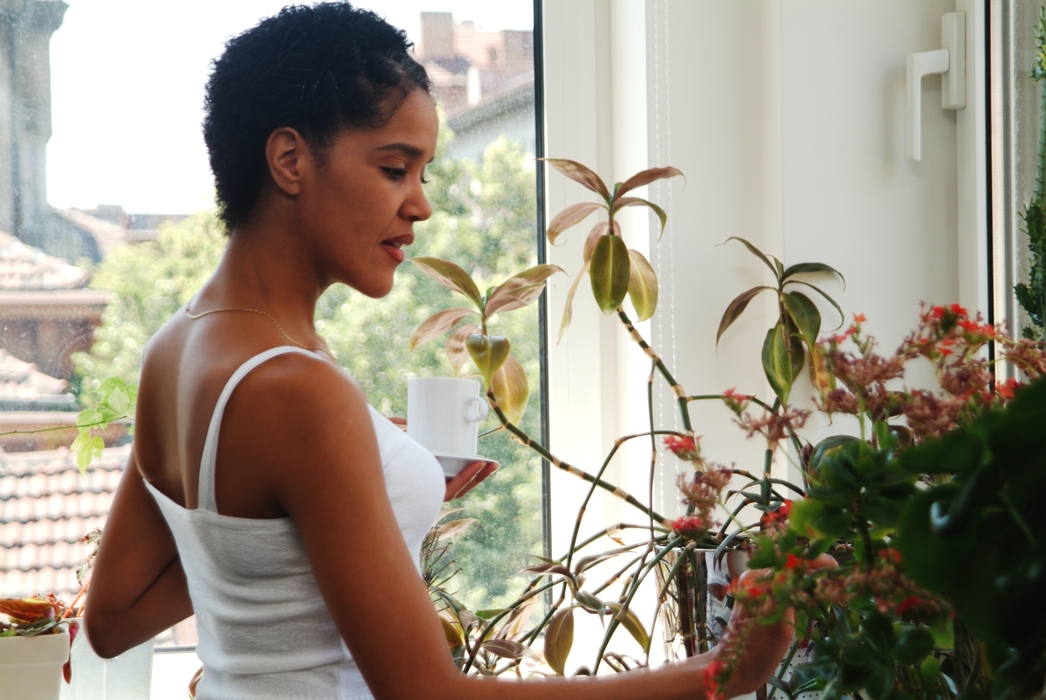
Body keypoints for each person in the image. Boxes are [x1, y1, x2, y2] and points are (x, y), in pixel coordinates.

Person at [84, 4, 815, 698]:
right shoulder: (295, 389)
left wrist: (336, 500)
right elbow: (427, 694)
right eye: (395, 168)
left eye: (423, 173)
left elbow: (114, 618)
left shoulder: (175, 349)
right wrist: (722, 672)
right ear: (290, 160)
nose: (422, 204)